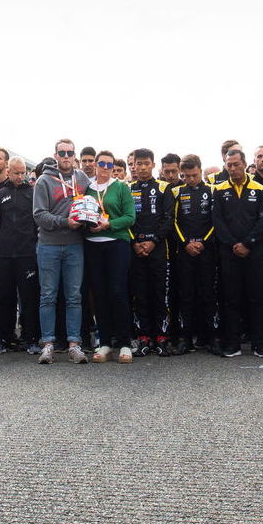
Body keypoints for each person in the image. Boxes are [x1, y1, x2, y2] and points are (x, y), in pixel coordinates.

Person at [32, 140, 90, 364]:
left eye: (70, 152)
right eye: (62, 153)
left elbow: (90, 204)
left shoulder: (82, 178)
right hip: (49, 245)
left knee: (74, 296)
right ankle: (48, 344)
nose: (66, 156)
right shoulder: (44, 180)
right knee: (48, 295)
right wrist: (65, 222)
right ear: (55, 155)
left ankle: (74, 344)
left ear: (74, 155)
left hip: (75, 245)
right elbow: (39, 215)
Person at [212, 148, 263, 358]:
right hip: (229, 252)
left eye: (236, 164)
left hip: (254, 251)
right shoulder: (218, 190)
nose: (233, 168)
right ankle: (232, 344)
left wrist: (247, 243)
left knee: (256, 298)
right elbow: (217, 221)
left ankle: (259, 344)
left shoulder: (258, 188)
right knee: (231, 299)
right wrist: (233, 244)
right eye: (229, 165)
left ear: (244, 164)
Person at [82, 150, 135, 362]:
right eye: (102, 164)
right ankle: (104, 343)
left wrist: (109, 224)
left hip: (116, 244)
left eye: (109, 165)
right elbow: (81, 213)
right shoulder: (87, 189)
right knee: (99, 294)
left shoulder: (121, 187)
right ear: (95, 165)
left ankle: (124, 343)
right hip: (92, 244)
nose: (105, 168)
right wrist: (89, 226)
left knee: (118, 292)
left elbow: (130, 217)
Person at [0, 158, 38, 355]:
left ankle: (31, 338)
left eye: (22, 172)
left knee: (29, 298)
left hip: (27, 253)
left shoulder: (33, 194)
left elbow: (38, 222)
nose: (20, 176)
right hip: (4, 254)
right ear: (8, 172)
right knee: (5, 297)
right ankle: (4, 339)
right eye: (16, 173)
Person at [126, 148, 171, 356]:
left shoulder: (164, 188)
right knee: (140, 294)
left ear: (153, 165)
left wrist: (153, 241)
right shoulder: (128, 188)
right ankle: (143, 337)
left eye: (146, 164)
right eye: (138, 164)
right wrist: (135, 242)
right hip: (136, 249)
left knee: (159, 293)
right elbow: (126, 218)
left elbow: (169, 219)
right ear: (133, 165)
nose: (142, 168)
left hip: (158, 248)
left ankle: (161, 338)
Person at [170, 155, 215, 354]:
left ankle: (210, 338)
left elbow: (217, 221)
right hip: (185, 251)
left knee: (208, 294)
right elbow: (174, 221)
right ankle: (186, 338)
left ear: (200, 170)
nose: (190, 179)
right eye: (186, 176)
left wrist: (203, 242)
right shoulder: (177, 192)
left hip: (207, 250)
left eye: (194, 175)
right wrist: (186, 243)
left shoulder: (212, 191)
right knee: (186, 295)